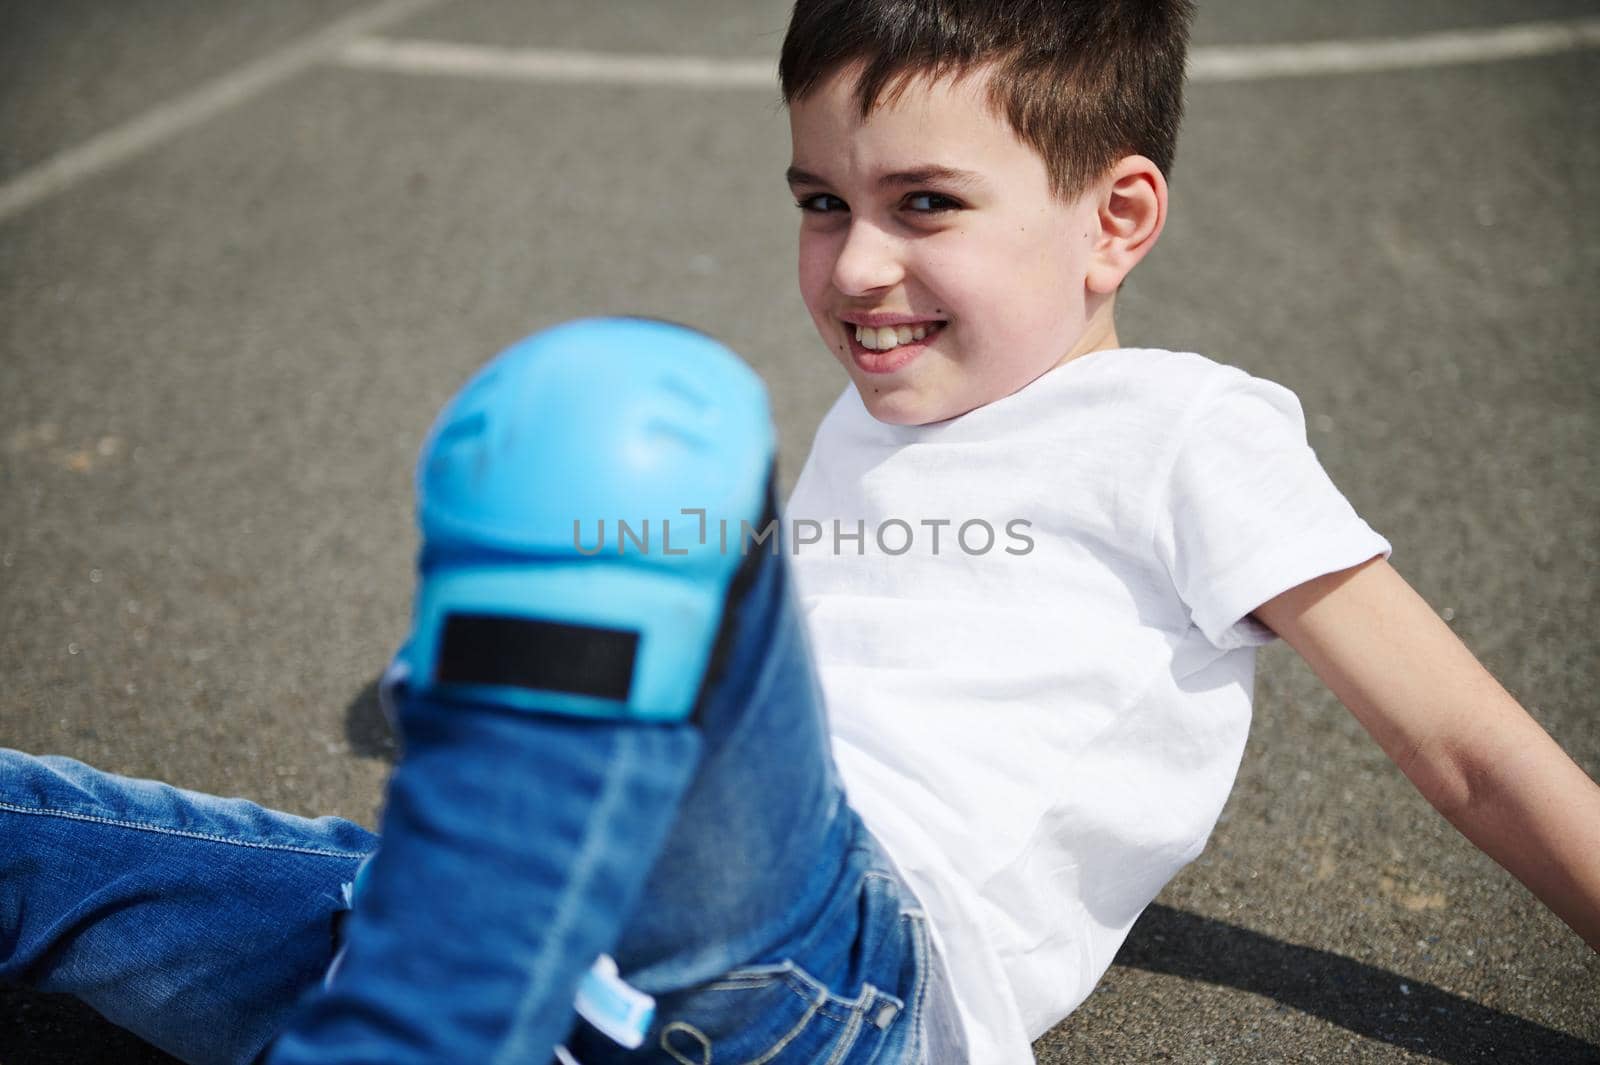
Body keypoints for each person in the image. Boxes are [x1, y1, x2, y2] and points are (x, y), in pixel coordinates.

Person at [2, 1, 1597, 1063]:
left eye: (924, 204)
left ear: (1116, 219)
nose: (848, 267)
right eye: (819, 200)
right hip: (584, 923)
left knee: (630, 423)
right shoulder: (866, 421)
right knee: (61, 836)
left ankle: (447, 1003)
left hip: (843, 966)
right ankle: (476, 970)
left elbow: (1472, 751)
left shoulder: (1189, 431)